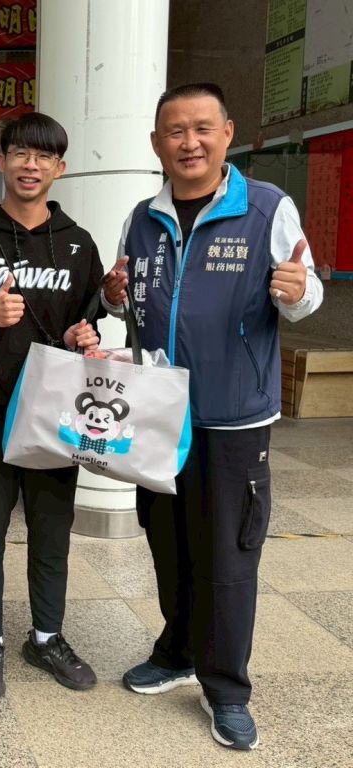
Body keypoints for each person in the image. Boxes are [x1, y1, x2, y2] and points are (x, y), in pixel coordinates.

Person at [102, 82, 323, 750]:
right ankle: (176, 651)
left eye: (202, 128)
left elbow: (303, 292)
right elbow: (133, 300)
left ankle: (226, 689)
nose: (189, 142)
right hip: (157, 417)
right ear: (156, 144)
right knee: (168, 545)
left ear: (227, 134)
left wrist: (297, 292)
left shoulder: (266, 208)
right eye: (175, 131)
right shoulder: (142, 217)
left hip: (232, 420)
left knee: (226, 557)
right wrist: (112, 297)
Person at [0, 113, 104, 699]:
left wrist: (85, 334)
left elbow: (88, 319)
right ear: (1, 161)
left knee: (51, 533)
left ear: (60, 167)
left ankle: (47, 637)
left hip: (58, 412)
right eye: (21, 154)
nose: (32, 165)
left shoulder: (79, 243)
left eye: (44, 156)